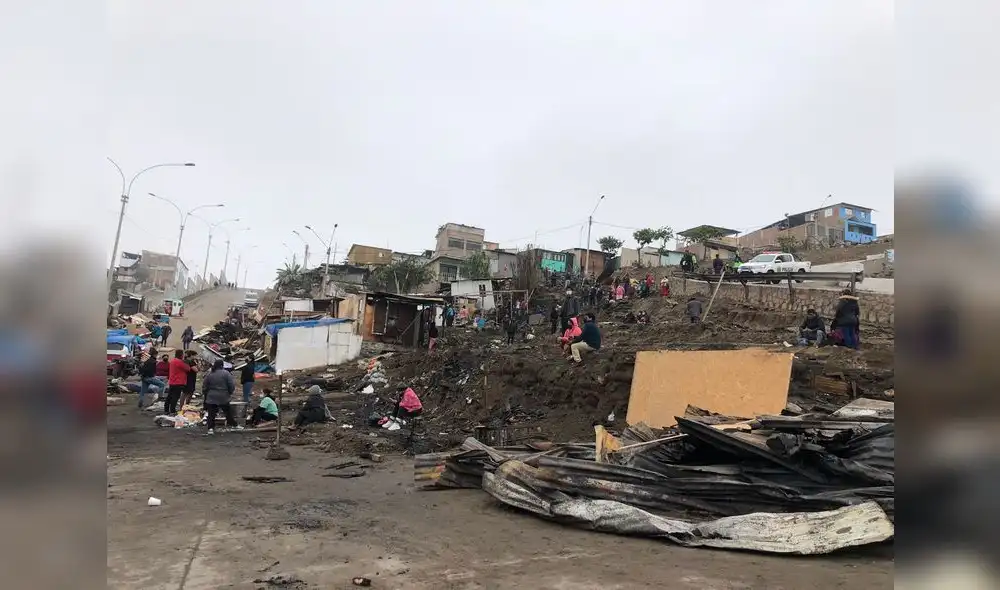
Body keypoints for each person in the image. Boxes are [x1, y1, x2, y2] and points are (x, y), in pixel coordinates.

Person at [202, 359, 239, 434]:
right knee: (227, 412)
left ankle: (210, 428)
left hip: (211, 396)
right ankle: (233, 425)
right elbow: (231, 385)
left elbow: (204, 385)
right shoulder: (226, 373)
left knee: (211, 413)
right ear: (222, 365)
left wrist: (206, 393)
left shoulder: (210, 374)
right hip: (223, 396)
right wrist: (229, 392)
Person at [165, 349, 193, 415]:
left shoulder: (173, 361)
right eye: (183, 354)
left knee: (169, 396)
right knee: (175, 396)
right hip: (178, 382)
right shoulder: (179, 362)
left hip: (172, 381)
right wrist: (187, 361)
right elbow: (188, 368)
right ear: (181, 355)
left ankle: (166, 409)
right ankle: (172, 410)